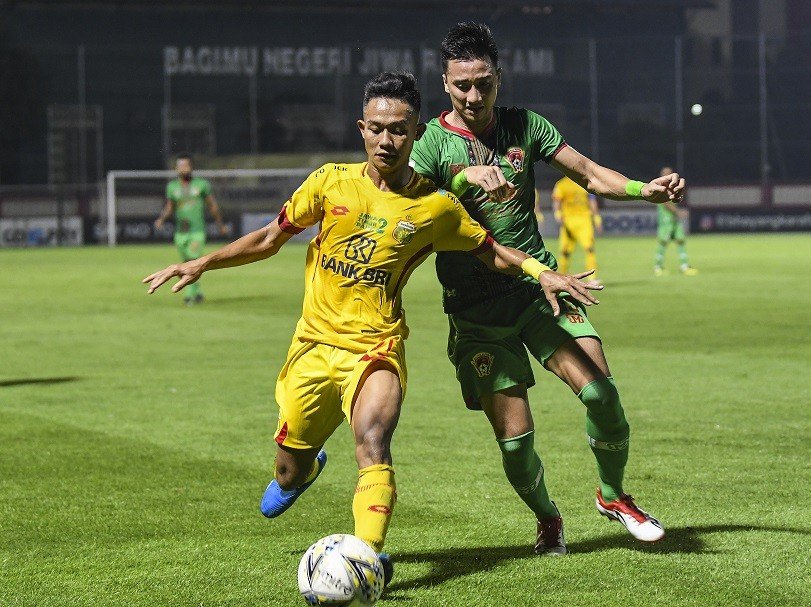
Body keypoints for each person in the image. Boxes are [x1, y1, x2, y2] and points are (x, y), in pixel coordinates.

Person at [143, 72, 601, 579]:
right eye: (378, 128)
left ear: (417, 132)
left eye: (400, 129)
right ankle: (304, 468)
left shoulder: (434, 207)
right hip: (313, 347)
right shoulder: (329, 182)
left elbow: (491, 252)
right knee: (286, 469)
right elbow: (271, 238)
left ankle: (364, 557)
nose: (387, 140)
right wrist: (202, 263)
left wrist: (543, 272)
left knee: (373, 439)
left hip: (375, 346)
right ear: (362, 128)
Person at [410, 22, 685, 554]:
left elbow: (585, 171)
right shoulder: (429, 146)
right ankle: (548, 517)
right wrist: (465, 179)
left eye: (483, 83)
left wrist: (640, 189)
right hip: (475, 310)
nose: (473, 95)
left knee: (602, 393)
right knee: (515, 444)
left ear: (499, 78)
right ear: (445, 83)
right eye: (462, 84)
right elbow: (415, 205)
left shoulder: (524, 126)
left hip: (543, 290)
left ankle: (613, 495)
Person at [154, 154, 228, 305]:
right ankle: (198, 291)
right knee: (186, 264)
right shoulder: (172, 187)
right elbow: (169, 207)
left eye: (186, 165)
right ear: (176, 168)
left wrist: (220, 225)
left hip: (197, 231)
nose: (183, 168)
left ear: (191, 167)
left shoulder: (201, 185)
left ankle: (189, 295)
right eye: (180, 166)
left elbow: (212, 205)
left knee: (191, 259)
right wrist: (161, 219)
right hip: (181, 232)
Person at [552, 175, 602, 278]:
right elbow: (557, 200)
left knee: (590, 248)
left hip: (584, 220)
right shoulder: (561, 184)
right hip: (568, 221)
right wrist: (557, 213)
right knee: (565, 252)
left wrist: (597, 218)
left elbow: (592, 200)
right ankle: (562, 276)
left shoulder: (584, 183)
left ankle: (592, 278)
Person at [654, 166, 698, 276]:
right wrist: (679, 212)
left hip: (674, 220)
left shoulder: (672, 186)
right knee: (663, 243)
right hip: (666, 220)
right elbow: (666, 204)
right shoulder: (660, 186)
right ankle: (658, 267)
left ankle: (684, 266)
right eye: (666, 174)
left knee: (680, 240)